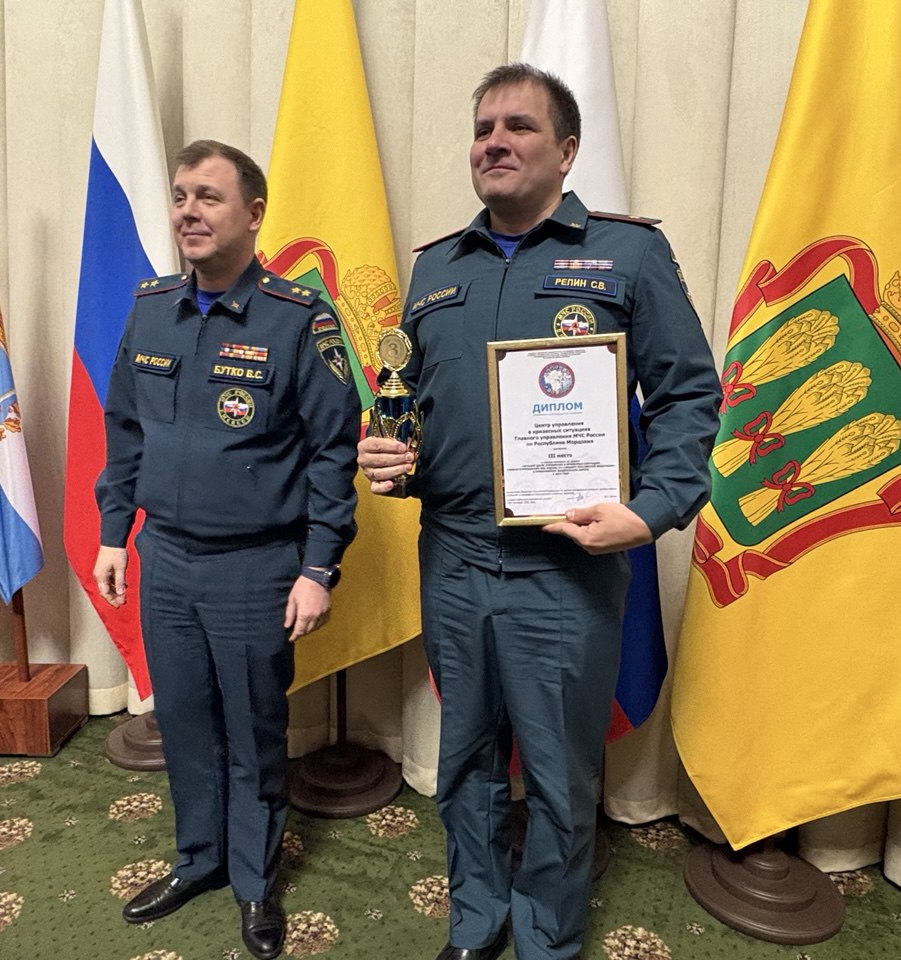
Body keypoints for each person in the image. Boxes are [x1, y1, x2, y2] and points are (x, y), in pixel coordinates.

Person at [357, 64, 721, 960]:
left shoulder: (628, 255)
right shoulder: (435, 267)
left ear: (566, 150)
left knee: (558, 777)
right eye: (483, 128)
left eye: (518, 126)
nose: (494, 141)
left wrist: (652, 512)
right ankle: (476, 922)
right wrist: (392, 455)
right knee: (465, 761)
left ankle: (548, 939)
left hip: (565, 569)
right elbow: (413, 405)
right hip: (453, 559)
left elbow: (689, 397)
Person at [93, 140, 360, 960]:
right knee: (183, 720)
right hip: (166, 559)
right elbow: (125, 430)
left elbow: (333, 453)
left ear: (253, 213)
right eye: (180, 196)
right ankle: (199, 860)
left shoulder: (298, 318)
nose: (189, 211)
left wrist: (318, 568)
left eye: (208, 197)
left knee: (251, 729)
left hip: (255, 565)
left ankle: (252, 881)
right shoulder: (151, 309)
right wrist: (113, 532)